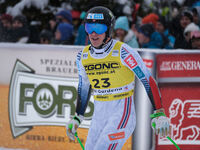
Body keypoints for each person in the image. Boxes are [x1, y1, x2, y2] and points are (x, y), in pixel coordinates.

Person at [66, 6, 169, 150]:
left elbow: (147, 80)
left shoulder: (123, 52)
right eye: (89, 28)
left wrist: (159, 112)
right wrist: (78, 116)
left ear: (108, 30)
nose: (93, 34)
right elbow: (84, 87)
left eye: (99, 28)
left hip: (121, 112)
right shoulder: (83, 56)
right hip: (99, 114)